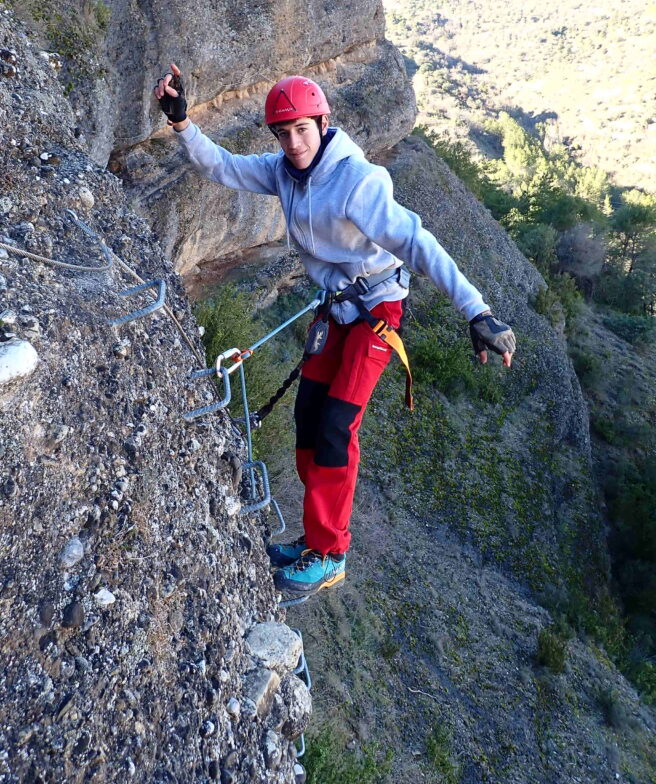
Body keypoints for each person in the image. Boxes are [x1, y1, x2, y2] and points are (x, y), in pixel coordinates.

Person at [154, 64, 516, 599]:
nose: (294, 142)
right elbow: (225, 167)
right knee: (308, 423)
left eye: (303, 129)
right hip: (336, 311)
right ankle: (314, 539)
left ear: (323, 123)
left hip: (376, 314)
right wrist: (182, 123)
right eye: (283, 133)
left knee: (336, 429)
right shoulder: (283, 171)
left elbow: (418, 243)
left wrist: (476, 311)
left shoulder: (357, 182)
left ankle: (330, 554)